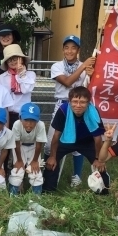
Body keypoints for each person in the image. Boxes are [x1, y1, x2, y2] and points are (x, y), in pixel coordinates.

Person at [45, 35, 96, 188]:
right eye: (66, 47)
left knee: (78, 140)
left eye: (74, 47)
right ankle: (48, 172)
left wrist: (91, 73)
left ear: (78, 50)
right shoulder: (57, 66)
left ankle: (77, 176)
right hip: (62, 105)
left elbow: (90, 86)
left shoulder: (85, 66)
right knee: (51, 140)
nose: (70, 51)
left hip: (80, 106)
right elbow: (67, 83)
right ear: (62, 49)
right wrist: (83, 66)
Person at [42, 86, 109, 193]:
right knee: (51, 162)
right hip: (66, 141)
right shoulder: (63, 110)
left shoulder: (93, 112)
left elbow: (97, 138)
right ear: (69, 101)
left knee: (101, 165)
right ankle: (47, 191)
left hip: (87, 142)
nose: (78, 105)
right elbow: (56, 136)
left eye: (82, 102)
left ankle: (104, 192)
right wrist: (52, 156)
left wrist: (98, 159)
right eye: (75, 101)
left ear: (88, 102)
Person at [9, 103, 46, 196]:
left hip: (34, 147)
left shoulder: (41, 125)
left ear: (37, 120)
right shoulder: (17, 124)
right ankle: (13, 196)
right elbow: (16, 143)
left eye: (33, 120)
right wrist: (19, 160)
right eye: (26, 120)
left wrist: (34, 161)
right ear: (20, 118)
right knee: (18, 171)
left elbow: (39, 144)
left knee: (35, 172)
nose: (29, 124)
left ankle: (36, 198)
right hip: (20, 147)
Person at [0, 44, 36, 127]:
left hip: (24, 114)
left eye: (15, 59)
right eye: (9, 60)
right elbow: (0, 98)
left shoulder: (30, 75)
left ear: (21, 59)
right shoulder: (1, 78)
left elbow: (25, 90)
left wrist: (21, 74)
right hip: (7, 115)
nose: (13, 62)